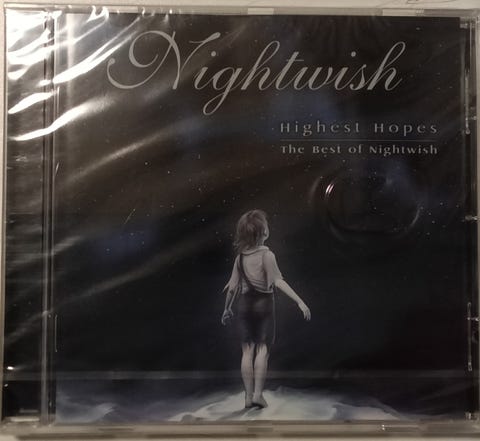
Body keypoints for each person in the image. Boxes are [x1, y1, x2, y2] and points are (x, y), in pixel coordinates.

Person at [221, 209, 311, 409]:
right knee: (262, 350)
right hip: (264, 306)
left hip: (244, 305)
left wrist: (226, 309)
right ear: (264, 231)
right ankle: (257, 395)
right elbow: (278, 281)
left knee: (247, 351)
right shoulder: (267, 255)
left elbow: (232, 288)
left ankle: (247, 397)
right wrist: (299, 301)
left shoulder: (239, 259)